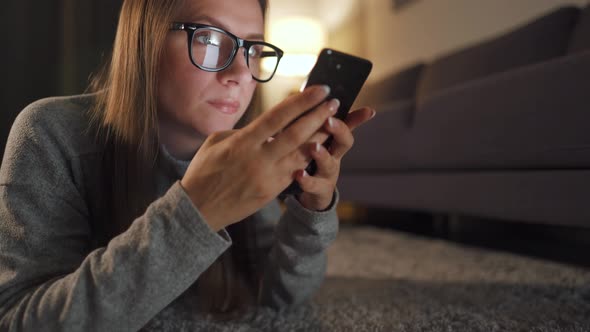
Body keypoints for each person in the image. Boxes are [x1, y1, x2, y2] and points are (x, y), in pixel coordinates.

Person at [0, 0, 375, 330]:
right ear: (143, 39)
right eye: (210, 39)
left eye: (253, 49)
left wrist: (311, 212)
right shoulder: (49, 132)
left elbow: (280, 297)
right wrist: (197, 210)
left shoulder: (242, 151)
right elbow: (20, 319)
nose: (240, 74)